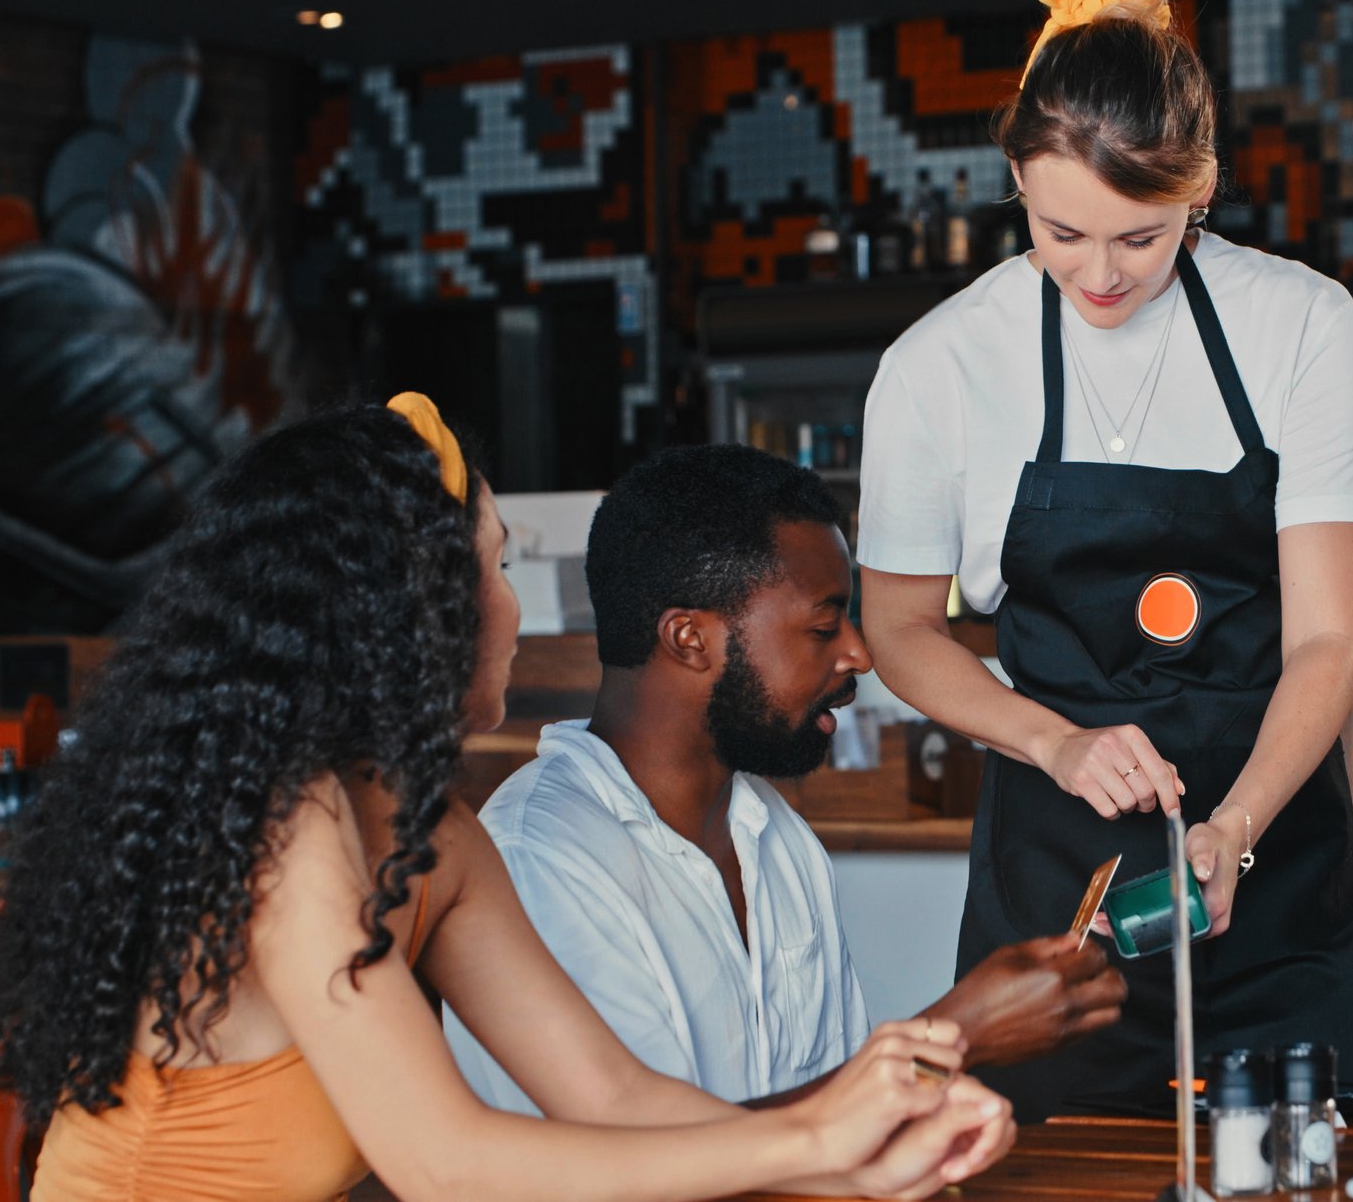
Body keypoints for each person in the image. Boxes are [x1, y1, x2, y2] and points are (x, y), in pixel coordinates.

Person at [0, 398, 1012, 1202]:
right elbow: (446, 1168)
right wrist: (813, 1138)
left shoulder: (436, 838)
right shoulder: (289, 827)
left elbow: (610, 1099)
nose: (514, 607)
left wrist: (866, 1148)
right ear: (410, 611)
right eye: (497, 567)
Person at [854, 0, 1353, 1119]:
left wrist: (1236, 826)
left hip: (1272, 871)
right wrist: (1052, 743)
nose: (1098, 276)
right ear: (1015, 182)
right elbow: (894, 627)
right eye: (1059, 233)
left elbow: (1325, 638)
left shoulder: (1300, 326)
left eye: (1140, 238)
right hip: (1058, 905)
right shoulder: (938, 367)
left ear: (1198, 190)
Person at [445, 444, 1126, 1111]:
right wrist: (953, 1035)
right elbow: (650, 1165)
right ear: (690, 638)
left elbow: (842, 1127)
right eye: (825, 625)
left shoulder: (779, 840)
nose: (859, 652)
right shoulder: (542, 862)